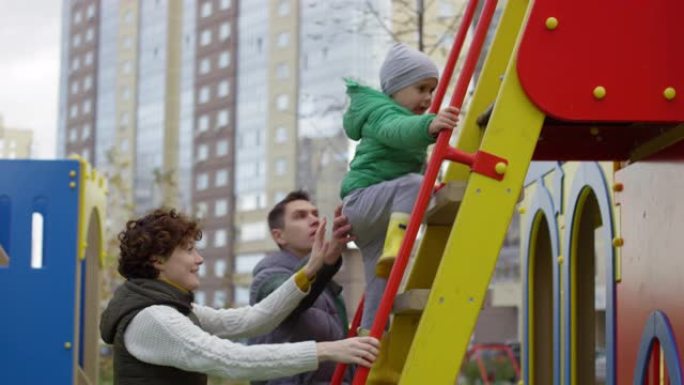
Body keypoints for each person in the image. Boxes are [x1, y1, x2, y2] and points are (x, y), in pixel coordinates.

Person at [100, 208, 379, 385]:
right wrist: (326, 350)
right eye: (187, 250)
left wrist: (310, 269)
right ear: (157, 260)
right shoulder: (154, 318)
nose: (199, 259)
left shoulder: (171, 308)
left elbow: (252, 319)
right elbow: (231, 360)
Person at [340, 42, 460, 331]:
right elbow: (399, 132)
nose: (428, 98)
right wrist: (428, 127)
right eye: (421, 89)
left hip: (378, 213)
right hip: (362, 201)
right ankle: (396, 245)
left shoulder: (402, 114)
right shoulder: (381, 113)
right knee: (413, 184)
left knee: (381, 292)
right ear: (396, 87)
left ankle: (369, 353)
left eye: (432, 90)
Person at [249, 190, 353, 385]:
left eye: (315, 213)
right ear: (279, 236)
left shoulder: (325, 283)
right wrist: (326, 260)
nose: (313, 220)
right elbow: (287, 300)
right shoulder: (268, 277)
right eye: (300, 216)